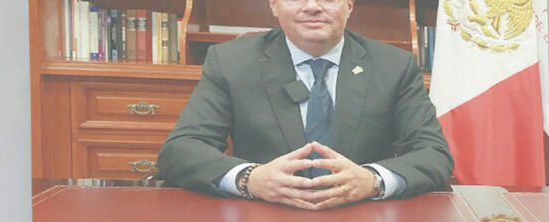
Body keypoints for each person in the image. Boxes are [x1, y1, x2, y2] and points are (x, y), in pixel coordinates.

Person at [158, 0, 453, 211]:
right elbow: (181, 149)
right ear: (273, 5)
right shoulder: (231, 62)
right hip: (263, 220)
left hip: (363, 221)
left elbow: (433, 154)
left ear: (350, 5)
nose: (312, 6)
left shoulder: (394, 66)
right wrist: (250, 179)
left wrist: (372, 180)